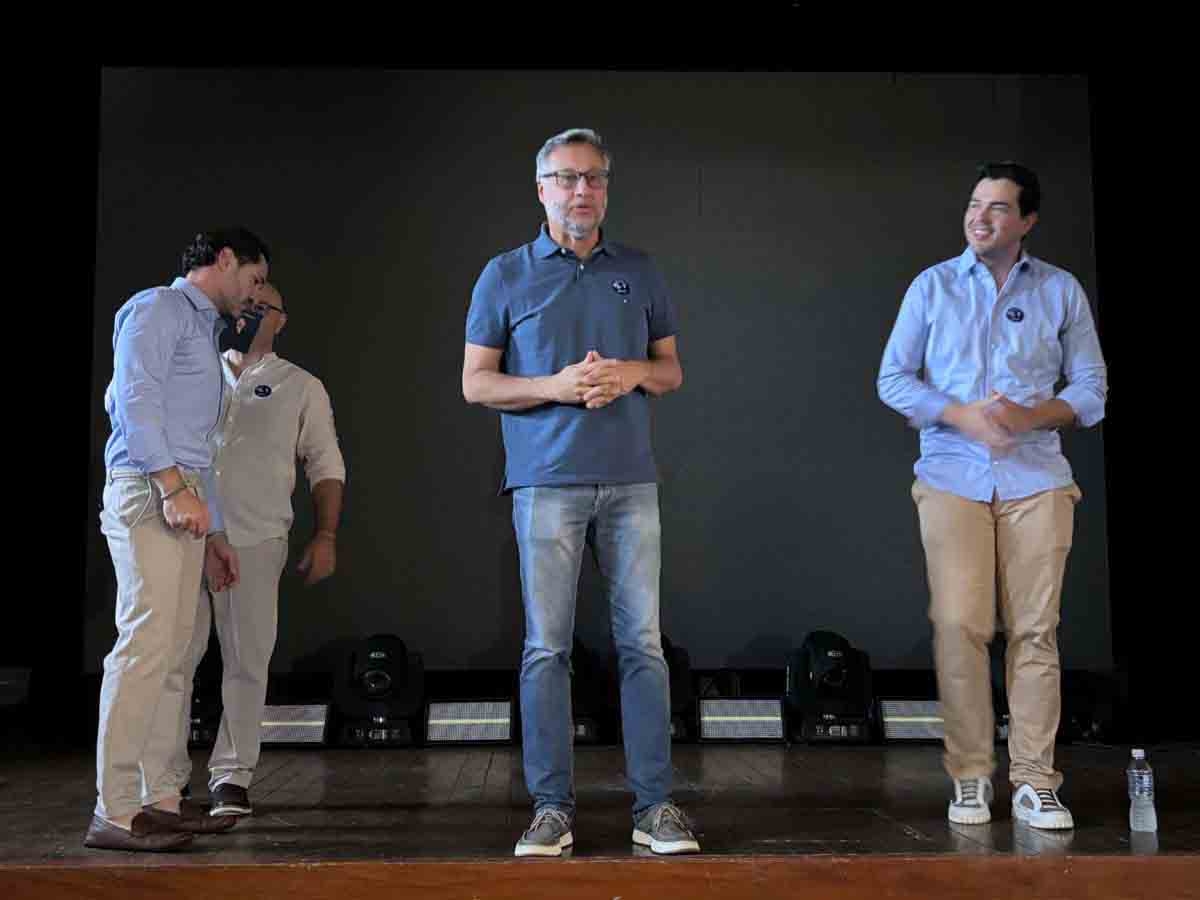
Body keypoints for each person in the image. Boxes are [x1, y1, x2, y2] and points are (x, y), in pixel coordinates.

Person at [463, 127, 697, 857]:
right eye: (566, 178)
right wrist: (556, 386)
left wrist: (629, 373)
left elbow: (670, 371)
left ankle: (655, 808)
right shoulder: (505, 274)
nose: (581, 191)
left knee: (643, 646)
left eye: (593, 178)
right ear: (542, 190)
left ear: (606, 189)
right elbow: (476, 383)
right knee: (546, 650)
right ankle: (551, 811)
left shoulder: (640, 270)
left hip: (631, 482)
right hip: (545, 484)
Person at [877, 162, 1107, 829]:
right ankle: (971, 777)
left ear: (1027, 221)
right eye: (975, 204)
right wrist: (960, 415)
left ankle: (1035, 780)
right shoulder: (933, 286)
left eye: (998, 208)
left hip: (1037, 479)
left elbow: (1091, 387)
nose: (980, 217)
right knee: (960, 626)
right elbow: (893, 379)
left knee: (1035, 630)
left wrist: (1031, 416)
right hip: (952, 477)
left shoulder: (1059, 290)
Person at [89, 228, 270, 851]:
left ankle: (158, 799)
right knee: (144, 646)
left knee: (173, 655)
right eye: (253, 279)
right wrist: (170, 487)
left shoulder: (201, 330)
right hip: (149, 490)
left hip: (180, 492)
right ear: (224, 259)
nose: (255, 295)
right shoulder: (158, 307)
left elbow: (200, 449)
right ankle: (115, 810)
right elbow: (133, 401)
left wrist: (214, 530)